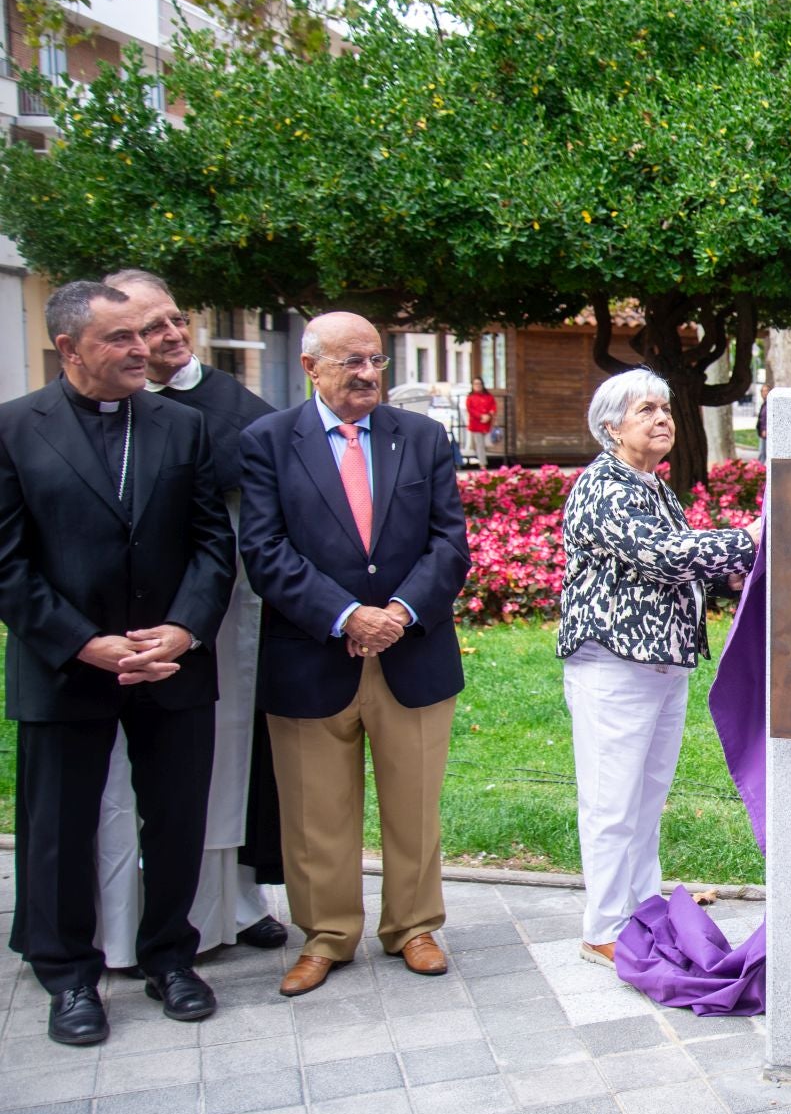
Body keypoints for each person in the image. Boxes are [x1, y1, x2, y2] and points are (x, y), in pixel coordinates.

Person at [0, 281, 234, 1045]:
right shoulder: (14, 429)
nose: (143, 350)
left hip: (172, 664)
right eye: (120, 339)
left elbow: (212, 543)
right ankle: (69, 977)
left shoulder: (181, 426)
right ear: (69, 349)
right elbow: (8, 564)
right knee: (59, 827)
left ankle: (172, 957)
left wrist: (184, 630)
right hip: (65, 663)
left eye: (144, 335)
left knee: (175, 818)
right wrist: (82, 642)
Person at [238, 312, 471, 997]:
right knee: (316, 812)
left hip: (412, 653)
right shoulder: (268, 443)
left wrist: (397, 613)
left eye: (375, 359)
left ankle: (414, 925)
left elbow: (449, 543)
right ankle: (327, 934)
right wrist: (345, 616)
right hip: (311, 654)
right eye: (351, 362)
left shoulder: (422, 438)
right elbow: (264, 550)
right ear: (312, 367)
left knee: (414, 803)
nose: (368, 373)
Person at [90, 271, 286, 974]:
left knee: (219, 761)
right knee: (114, 777)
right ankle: (118, 919)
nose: (169, 337)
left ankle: (227, 902)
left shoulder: (232, 405)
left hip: (212, 617)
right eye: (147, 330)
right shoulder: (97, 413)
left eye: (175, 320)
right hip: (110, 626)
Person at [559, 369, 761, 968]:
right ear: (611, 426)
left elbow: (675, 573)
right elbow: (665, 557)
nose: (663, 418)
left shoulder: (651, 487)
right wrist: (751, 539)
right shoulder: (606, 486)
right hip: (615, 668)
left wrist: (728, 580)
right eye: (646, 409)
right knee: (612, 802)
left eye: (666, 408)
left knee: (646, 800)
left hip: (661, 668)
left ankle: (640, 910)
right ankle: (602, 927)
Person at [463, 377, 497, 470]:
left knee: (487, 443)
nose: (477, 386)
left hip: (487, 423)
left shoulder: (488, 396)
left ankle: (482, 459)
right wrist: (481, 416)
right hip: (476, 423)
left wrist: (489, 415)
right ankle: (483, 464)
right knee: (480, 444)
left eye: (479, 384)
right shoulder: (470, 397)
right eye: (475, 384)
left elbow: (493, 406)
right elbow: (470, 410)